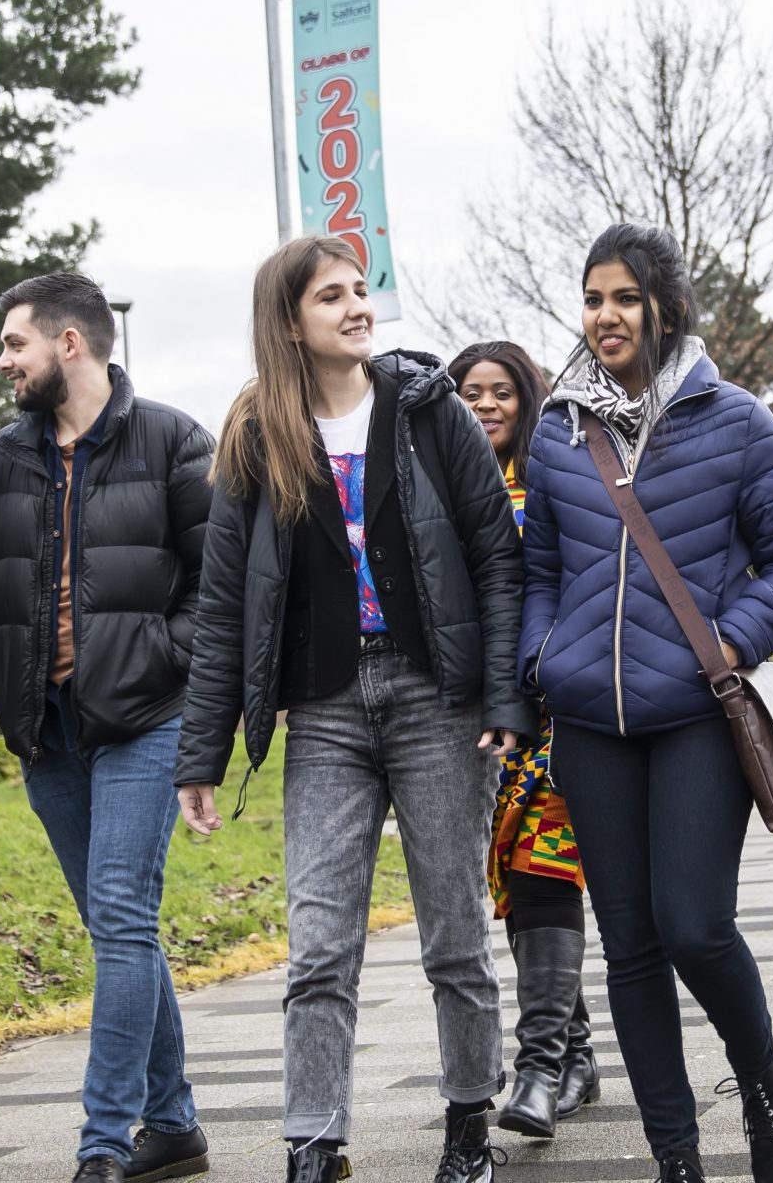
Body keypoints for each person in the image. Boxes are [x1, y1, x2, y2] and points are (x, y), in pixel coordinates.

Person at [174, 238, 530, 1183]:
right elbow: (224, 607)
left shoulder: (427, 409)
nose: (356, 306)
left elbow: (497, 557)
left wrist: (503, 695)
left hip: (436, 702)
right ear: (289, 321)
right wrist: (199, 753)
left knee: (454, 931)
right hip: (324, 710)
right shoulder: (256, 433)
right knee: (319, 943)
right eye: (331, 296)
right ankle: (313, 1142)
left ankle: (466, 1124)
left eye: (361, 289)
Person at [520, 224, 773, 1183]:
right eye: (592, 298)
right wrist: (543, 657)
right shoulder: (558, 430)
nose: (604, 316)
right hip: (591, 725)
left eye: (623, 298)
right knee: (632, 949)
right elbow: (536, 572)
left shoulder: (736, 420)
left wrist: (729, 645)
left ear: (665, 308)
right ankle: (676, 1157)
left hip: (696, 714)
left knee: (693, 924)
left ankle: (762, 1082)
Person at [0, 273, 213, 1183]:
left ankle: (104, 1142)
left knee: (120, 914)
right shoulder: (5, 457)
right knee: (119, 929)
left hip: (144, 720)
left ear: (69, 344)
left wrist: (159, 655)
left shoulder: (174, 440)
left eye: (14, 344)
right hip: (48, 726)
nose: (3, 361)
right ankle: (175, 1124)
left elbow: (218, 583)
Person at [449, 340, 601, 1139]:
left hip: (555, 713)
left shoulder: (555, 482)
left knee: (542, 863)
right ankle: (573, 1054)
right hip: (470, 720)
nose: (485, 404)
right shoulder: (438, 491)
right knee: (511, 873)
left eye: (501, 390)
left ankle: (540, 1065)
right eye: (470, 391)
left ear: (527, 398)